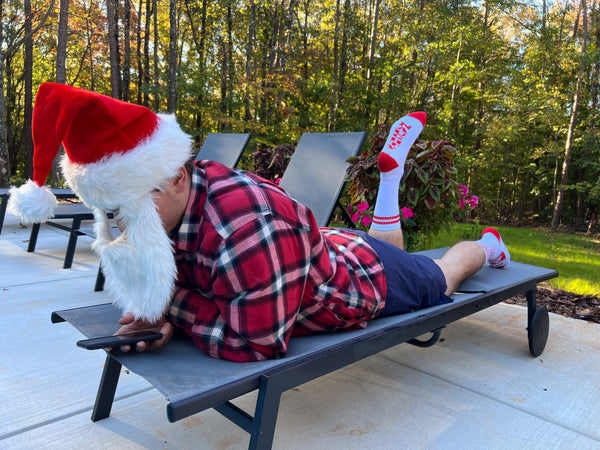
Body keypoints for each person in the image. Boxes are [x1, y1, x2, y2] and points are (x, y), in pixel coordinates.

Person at [8, 83, 510, 362]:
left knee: (441, 275)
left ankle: (488, 247)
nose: (116, 227)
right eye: (108, 213)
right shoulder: (174, 201)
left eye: (125, 210)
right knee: (386, 246)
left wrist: (172, 309)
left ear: (178, 177)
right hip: (325, 252)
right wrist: (159, 314)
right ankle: (388, 187)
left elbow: (257, 342)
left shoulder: (244, 229)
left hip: (360, 284)